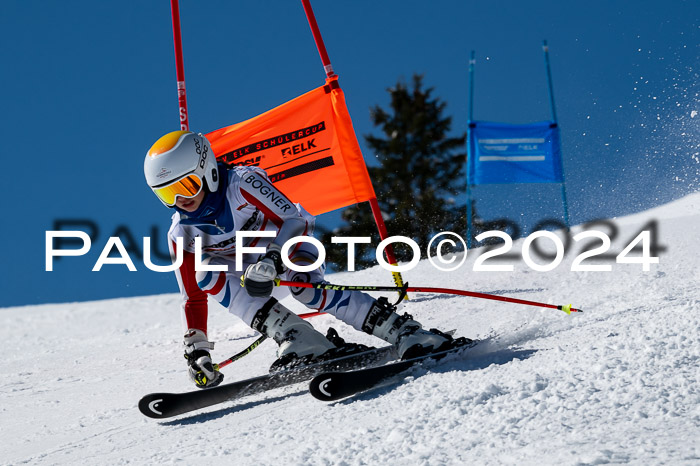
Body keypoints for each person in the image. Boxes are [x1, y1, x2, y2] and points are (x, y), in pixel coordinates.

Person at [144, 130, 455, 388]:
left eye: (185, 186)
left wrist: (273, 259)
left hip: (288, 248)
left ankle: (405, 332)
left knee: (305, 287)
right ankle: (301, 340)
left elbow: (293, 220)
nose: (180, 201)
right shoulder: (180, 233)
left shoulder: (241, 183)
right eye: (166, 194)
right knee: (205, 274)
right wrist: (197, 349)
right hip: (249, 282)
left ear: (207, 170)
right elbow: (193, 298)